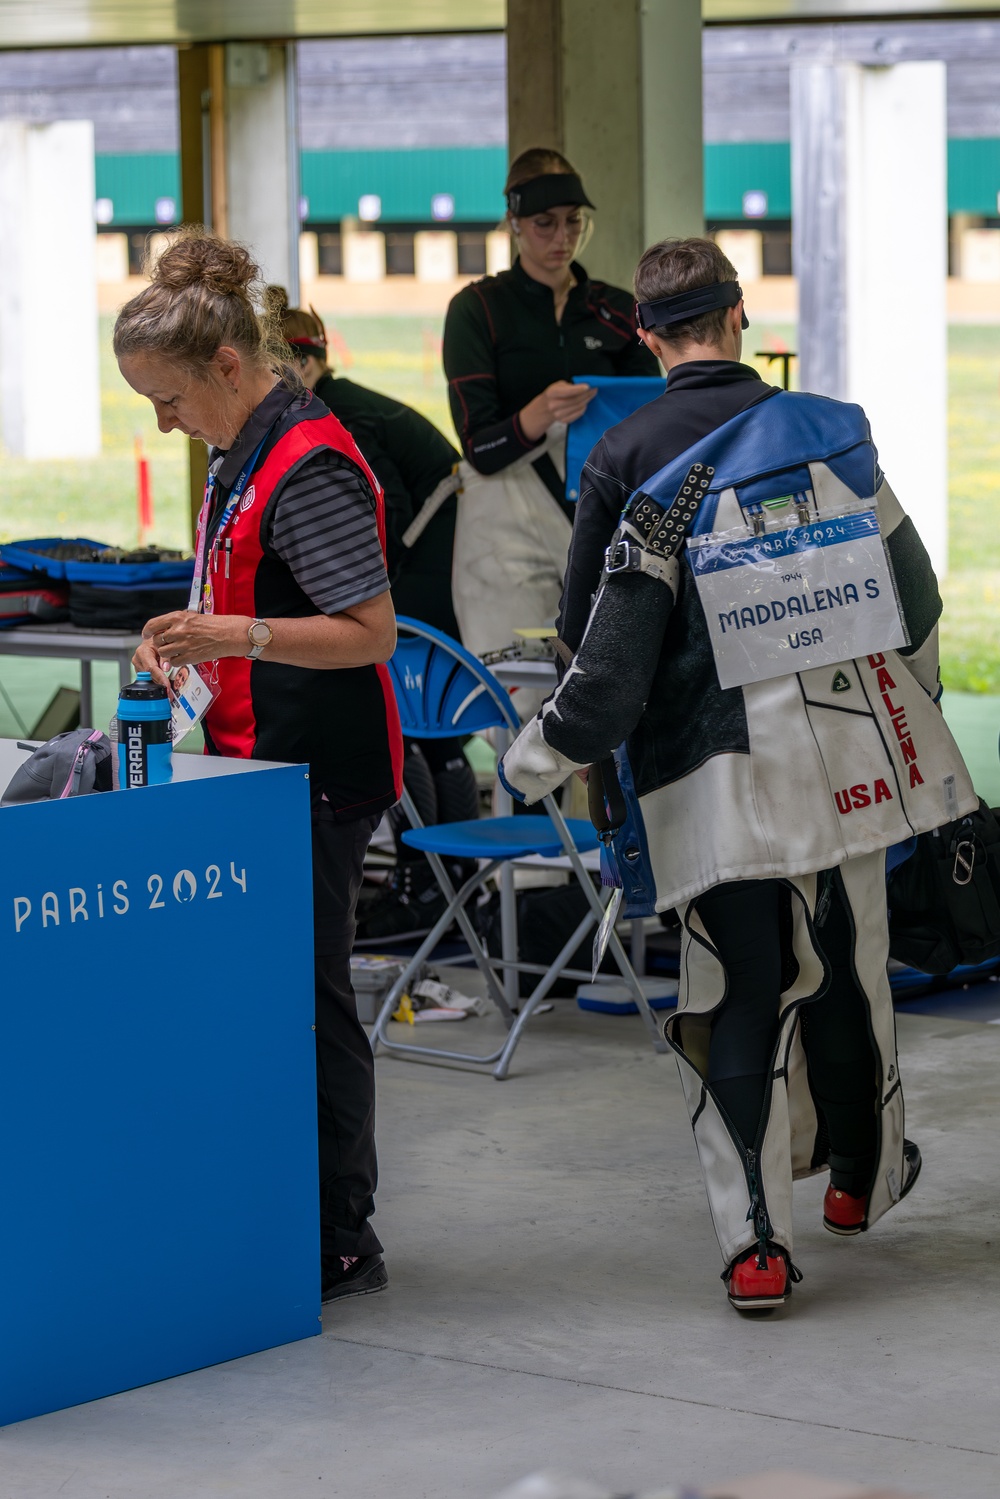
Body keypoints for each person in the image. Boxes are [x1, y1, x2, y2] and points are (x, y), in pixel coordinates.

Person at [497, 237, 977, 1312]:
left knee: (740, 986)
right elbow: (916, 595)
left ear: (643, 332)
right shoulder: (833, 432)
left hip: (709, 785)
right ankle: (858, 1180)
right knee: (853, 974)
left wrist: (535, 760)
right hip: (845, 760)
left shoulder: (621, 456)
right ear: (740, 318)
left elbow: (590, 642)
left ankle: (756, 1241)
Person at [113, 231, 402, 1304]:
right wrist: (187, 633)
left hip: (316, 770)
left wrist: (238, 637)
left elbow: (370, 631)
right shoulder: (245, 444)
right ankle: (283, 1206)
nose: (164, 424)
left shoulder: (310, 462)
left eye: (170, 400)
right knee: (267, 991)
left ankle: (340, 1233)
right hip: (254, 759)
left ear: (229, 366)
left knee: (309, 996)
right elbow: (239, 586)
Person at [270, 289, 480, 939]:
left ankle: (425, 887)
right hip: (448, 560)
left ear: (301, 364)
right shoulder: (347, 399)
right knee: (439, 740)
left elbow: (374, 510)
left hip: (430, 567)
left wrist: (343, 596)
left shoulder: (335, 413)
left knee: (408, 726)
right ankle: (451, 889)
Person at [442, 147, 659, 661]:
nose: (562, 238)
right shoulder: (477, 310)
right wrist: (536, 416)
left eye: (573, 222)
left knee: (614, 679)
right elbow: (479, 447)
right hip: (505, 517)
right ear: (514, 221)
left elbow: (651, 420)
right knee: (517, 692)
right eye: (544, 224)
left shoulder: (614, 310)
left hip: (604, 508)